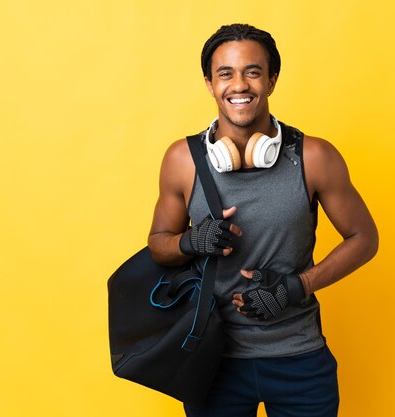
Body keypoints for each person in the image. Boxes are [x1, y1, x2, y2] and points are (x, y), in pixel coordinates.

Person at [148, 23, 378, 417]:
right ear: (209, 83)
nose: (240, 85)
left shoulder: (315, 158)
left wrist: (297, 287)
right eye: (226, 73)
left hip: (299, 359)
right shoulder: (182, 160)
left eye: (252, 72)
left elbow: (364, 238)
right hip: (211, 359)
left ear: (271, 80)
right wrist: (190, 242)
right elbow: (158, 243)